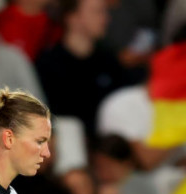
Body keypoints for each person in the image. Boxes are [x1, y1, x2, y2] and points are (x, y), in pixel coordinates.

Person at [36, 0, 126, 138]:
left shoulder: (109, 61)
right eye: (97, 12)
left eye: (105, 12)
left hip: (106, 142)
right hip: (64, 144)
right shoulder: (48, 64)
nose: (106, 18)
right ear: (73, 18)